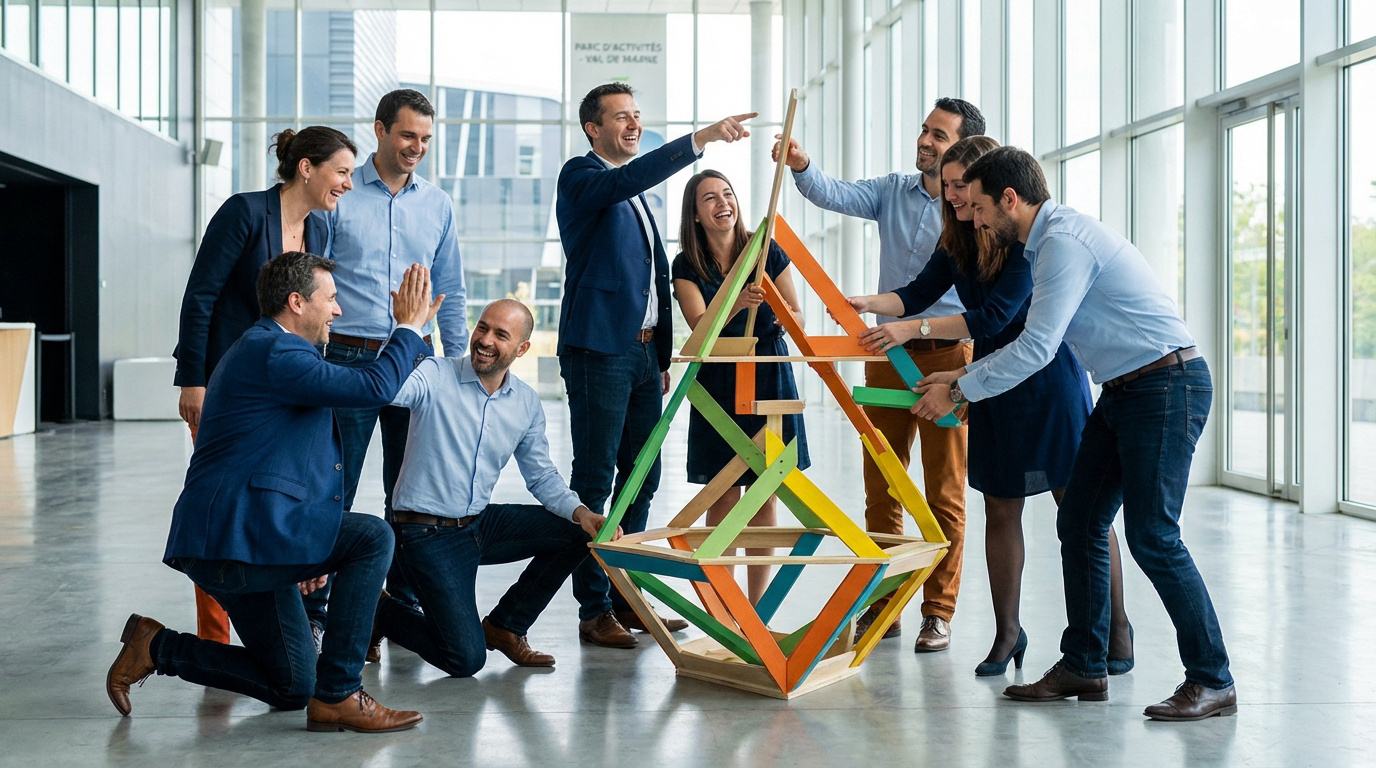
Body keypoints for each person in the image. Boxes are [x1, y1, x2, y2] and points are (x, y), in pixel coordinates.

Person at [913, 146, 1236, 721]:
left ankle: (1213, 679)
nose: (974, 218)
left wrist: (960, 391)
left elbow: (1038, 348)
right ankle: (1085, 665)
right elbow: (1030, 339)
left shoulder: (1063, 243)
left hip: (1165, 386)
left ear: (1010, 199)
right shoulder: (1044, 245)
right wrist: (961, 378)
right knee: (1081, 521)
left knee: (1154, 537)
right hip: (1124, 389)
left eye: (980, 207)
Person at [107, 252, 441, 732]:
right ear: (297, 302)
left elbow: (288, 460)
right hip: (234, 539)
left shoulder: (277, 351)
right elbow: (373, 387)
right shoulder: (275, 352)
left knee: (293, 686)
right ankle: (341, 693)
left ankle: (155, 647)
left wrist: (308, 550)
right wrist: (407, 328)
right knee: (372, 538)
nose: (338, 310)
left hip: (250, 537)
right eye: (331, 299)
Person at [846, 136, 1133, 677]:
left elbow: (995, 317)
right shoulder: (955, 237)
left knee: (1081, 509)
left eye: (962, 187)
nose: (953, 196)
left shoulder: (1024, 241)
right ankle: (1007, 632)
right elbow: (914, 294)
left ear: (991, 191)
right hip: (987, 381)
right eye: (948, 186)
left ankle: (1117, 628)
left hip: (1045, 381)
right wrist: (862, 304)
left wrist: (912, 330)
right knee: (1000, 507)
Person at [772, 98, 986, 651]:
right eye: (924, 129)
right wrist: (801, 165)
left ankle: (937, 612)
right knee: (882, 485)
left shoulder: (971, 213)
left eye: (939, 135)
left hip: (946, 357)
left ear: (962, 150)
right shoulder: (894, 190)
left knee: (944, 493)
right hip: (885, 352)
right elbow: (835, 194)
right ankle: (884, 603)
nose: (925, 141)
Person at [556, 82, 755, 647]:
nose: (633, 124)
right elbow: (624, 181)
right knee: (595, 479)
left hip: (642, 353)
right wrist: (700, 139)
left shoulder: (634, 194)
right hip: (600, 351)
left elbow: (648, 281)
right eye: (621, 116)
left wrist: (659, 354)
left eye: (637, 115)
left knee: (642, 477)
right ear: (593, 128)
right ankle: (594, 609)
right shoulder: (583, 176)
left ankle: (626, 595)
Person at [172, 126, 358, 645]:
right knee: (222, 508)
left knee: (278, 500)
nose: (348, 183)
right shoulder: (245, 212)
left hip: (287, 392)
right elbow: (200, 296)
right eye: (341, 171)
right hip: (228, 389)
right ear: (306, 168)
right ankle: (214, 641)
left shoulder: (318, 230)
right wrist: (192, 379)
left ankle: (281, 636)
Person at [373, 299, 623, 673]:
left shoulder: (524, 402)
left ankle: (507, 626)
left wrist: (583, 513)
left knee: (577, 532)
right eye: (482, 327)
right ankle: (380, 610)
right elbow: (385, 391)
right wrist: (406, 327)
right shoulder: (434, 374)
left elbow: (541, 476)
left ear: (522, 348)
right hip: (424, 533)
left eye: (500, 334)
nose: (485, 340)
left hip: (477, 524)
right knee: (465, 659)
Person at [316, 88, 466, 629]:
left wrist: (458, 366)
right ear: (379, 130)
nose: (416, 147)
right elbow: (314, 276)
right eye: (407, 135)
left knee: (411, 493)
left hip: (416, 360)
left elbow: (450, 288)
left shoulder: (438, 203)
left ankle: (397, 608)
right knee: (335, 486)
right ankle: (318, 611)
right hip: (348, 357)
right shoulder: (342, 194)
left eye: (425, 138)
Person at [671, 170, 808, 604]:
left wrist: (780, 314)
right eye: (709, 198)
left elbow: (797, 316)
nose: (722, 203)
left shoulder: (764, 250)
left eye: (727, 193)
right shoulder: (686, 264)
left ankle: (756, 606)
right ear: (695, 215)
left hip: (767, 372)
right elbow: (699, 328)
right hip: (720, 380)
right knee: (723, 491)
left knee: (764, 490)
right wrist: (735, 304)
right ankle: (725, 604)